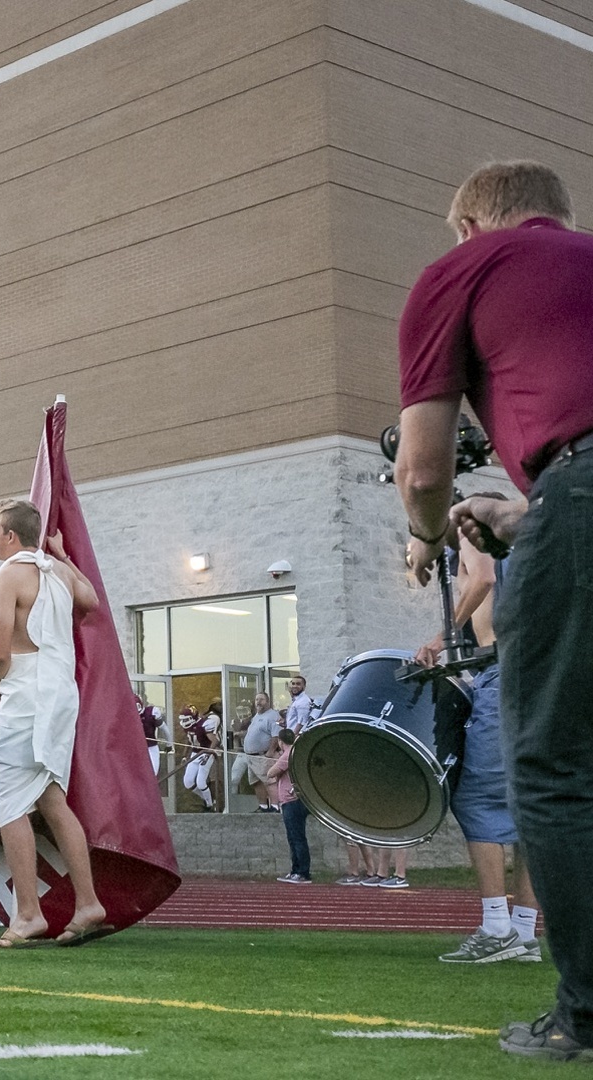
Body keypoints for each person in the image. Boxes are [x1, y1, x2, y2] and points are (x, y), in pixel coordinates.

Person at [394, 160, 593, 1059]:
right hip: (563, 498)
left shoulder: (462, 270)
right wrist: (526, 514)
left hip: (578, 494)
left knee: (554, 766)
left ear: (472, 224)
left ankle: (585, 1013)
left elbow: (425, 467)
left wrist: (428, 531)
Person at [0, 498, 105, 948]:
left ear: (11, 535)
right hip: (59, 693)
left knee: (12, 803)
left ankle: (29, 913)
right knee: (52, 798)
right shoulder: (55, 570)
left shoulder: (10, 573)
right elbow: (89, 600)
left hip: (28, 692)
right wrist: (64, 556)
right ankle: (88, 903)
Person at [419, 534, 542, 963]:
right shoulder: (527, 543)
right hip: (533, 672)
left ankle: (496, 927)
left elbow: (483, 578)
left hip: (504, 673)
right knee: (528, 804)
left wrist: (440, 638)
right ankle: (523, 933)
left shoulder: (471, 531)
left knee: (475, 796)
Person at [264, 729, 309, 883]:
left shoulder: (287, 754)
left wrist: (276, 762)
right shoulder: (296, 752)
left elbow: (270, 773)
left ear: (280, 742)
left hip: (291, 801)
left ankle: (302, 872)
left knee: (297, 838)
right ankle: (296, 870)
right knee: (293, 837)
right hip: (292, 801)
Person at [234, 693, 280, 813]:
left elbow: (276, 735)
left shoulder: (273, 716)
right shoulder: (256, 717)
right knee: (255, 781)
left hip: (263, 755)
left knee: (269, 781)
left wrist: (270, 752)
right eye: (257, 699)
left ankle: (275, 807)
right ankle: (263, 806)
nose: (258, 702)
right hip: (251, 757)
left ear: (268, 701)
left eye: (262, 699)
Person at [179, 706, 218, 812]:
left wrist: (208, 754)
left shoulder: (204, 724)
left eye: (186, 719)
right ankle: (206, 799)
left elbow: (215, 741)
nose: (184, 722)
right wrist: (184, 755)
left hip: (206, 752)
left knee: (201, 782)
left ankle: (210, 806)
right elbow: (189, 741)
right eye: (183, 719)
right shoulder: (189, 727)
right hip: (195, 754)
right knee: (188, 782)